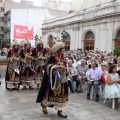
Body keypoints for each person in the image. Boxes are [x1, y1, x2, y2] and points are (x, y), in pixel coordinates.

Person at [36, 40, 68, 118]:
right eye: (62, 49)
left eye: (64, 49)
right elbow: (47, 66)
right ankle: (44, 105)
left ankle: (60, 111)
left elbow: (65, 66)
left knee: (61, 95)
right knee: (49, 95)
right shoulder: (53, 57)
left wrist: (65, 69)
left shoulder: (63, 57)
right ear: (59, 50)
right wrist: (55, 67)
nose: (64, 50)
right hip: (53, 80)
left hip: (62, 80)